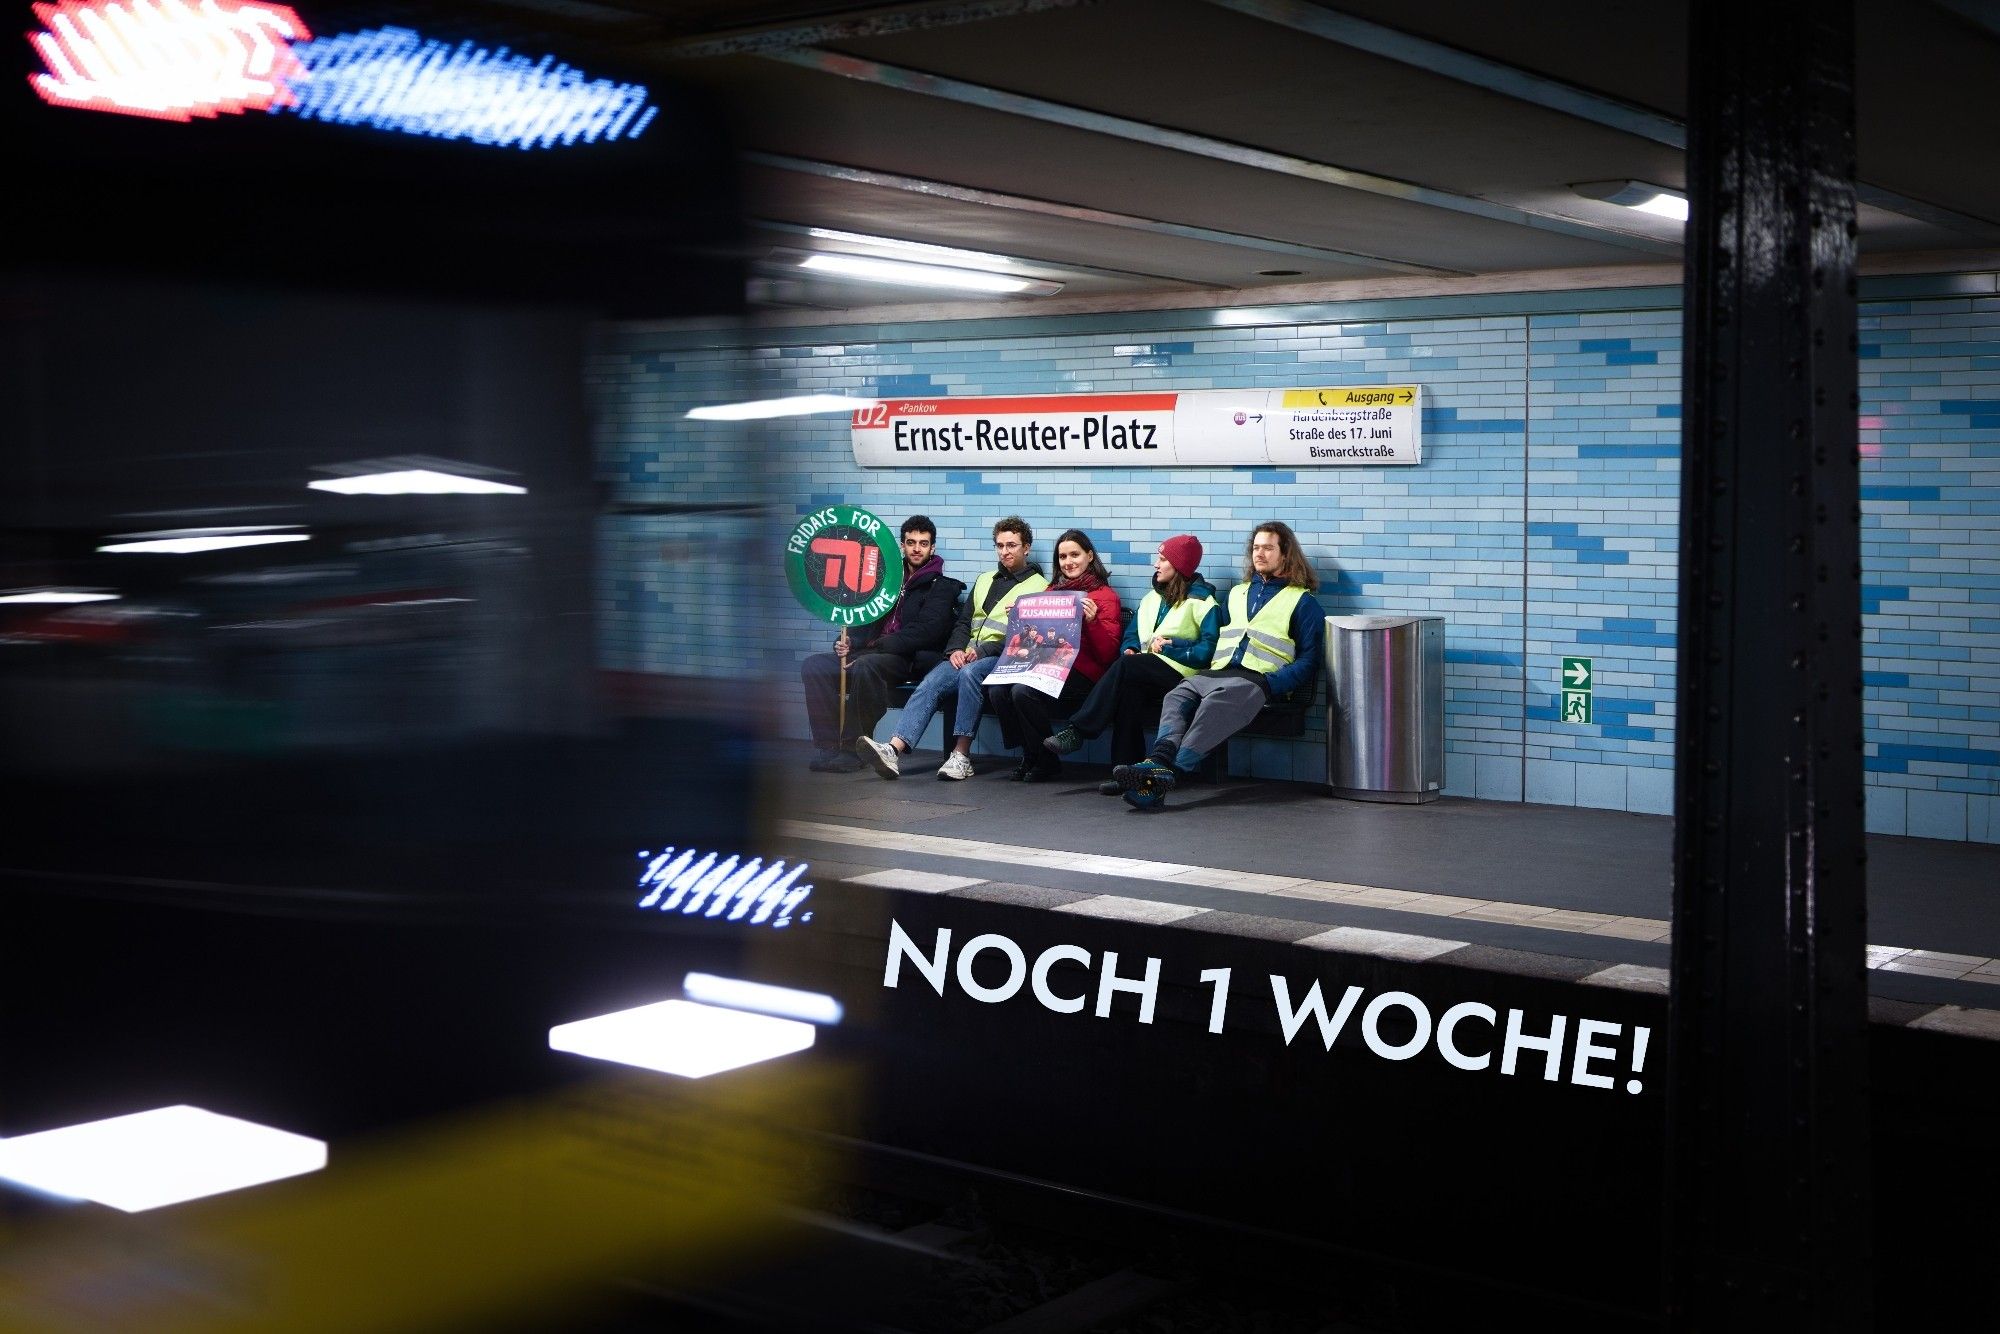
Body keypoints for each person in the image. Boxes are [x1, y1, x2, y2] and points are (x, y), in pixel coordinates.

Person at [1114, 521, 1325, 810]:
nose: (1259, 554)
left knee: (1215, 704)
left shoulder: (1303, 601)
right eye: (1255, 548)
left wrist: (1272, 683)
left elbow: (1310, 660)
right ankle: (1160, 764)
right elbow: (1217, 641)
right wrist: (1176, 647)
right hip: (1218, 671)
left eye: (1268, 548)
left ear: (1286, 554)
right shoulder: (1237, 593)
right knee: (1177, 695)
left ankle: (1167, 772)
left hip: (1258, 680)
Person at [859, 516, 1046, 780]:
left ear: (1026, 547)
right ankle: (893, 749)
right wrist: (955, 650)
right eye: (1000, 545)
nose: (1005, 551)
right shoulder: (984, 579)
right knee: (931, 682)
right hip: (966, 654)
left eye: (1012, 545)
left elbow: (1030, 636)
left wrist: (980, 652)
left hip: (1004, 657)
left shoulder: (1040, 587)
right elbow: (964, 621)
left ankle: (960, 755)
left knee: (970, 674)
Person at [1042, 534, 1220, 794]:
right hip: (1147, 672)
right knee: (1128, 688)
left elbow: (1208, 651)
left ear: (1180, 566)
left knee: (1127, 668)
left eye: (1162, 560)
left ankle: (1079, 730)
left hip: (1184, 677)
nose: (1156, 565)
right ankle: (1127, 772)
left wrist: (1173, 646)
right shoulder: (1150, 599)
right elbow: (1133, 635)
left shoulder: (1205, 603)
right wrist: (1130, 648)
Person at [800, 515, 963, 771]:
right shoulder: (882, 581)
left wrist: (873, 648)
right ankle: (827, 746)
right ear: (902, 545)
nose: (916, 548)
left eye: (923, 543)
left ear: (932, 548)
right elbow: (862, 618)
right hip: (870, 653)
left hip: (907, 659)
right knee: (814, 666)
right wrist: (848, 641)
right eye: (911, 542)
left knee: (866, 665)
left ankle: (852, 751)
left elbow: (926, 632)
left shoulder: (941, 587)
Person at [984, 529, 1121, 781]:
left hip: (1083, 674)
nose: (1068, 562)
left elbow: (1107, 655)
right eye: (1062, 557)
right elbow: (1033, 637)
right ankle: (1030, 752)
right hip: (1044, 665)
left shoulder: (1104, 597)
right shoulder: (1050, 592)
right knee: (997, 689)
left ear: (1089, 556)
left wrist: (1092, 622)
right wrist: (1019, 616)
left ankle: (1045, 761)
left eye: (1075, 555)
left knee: (1021, 692)